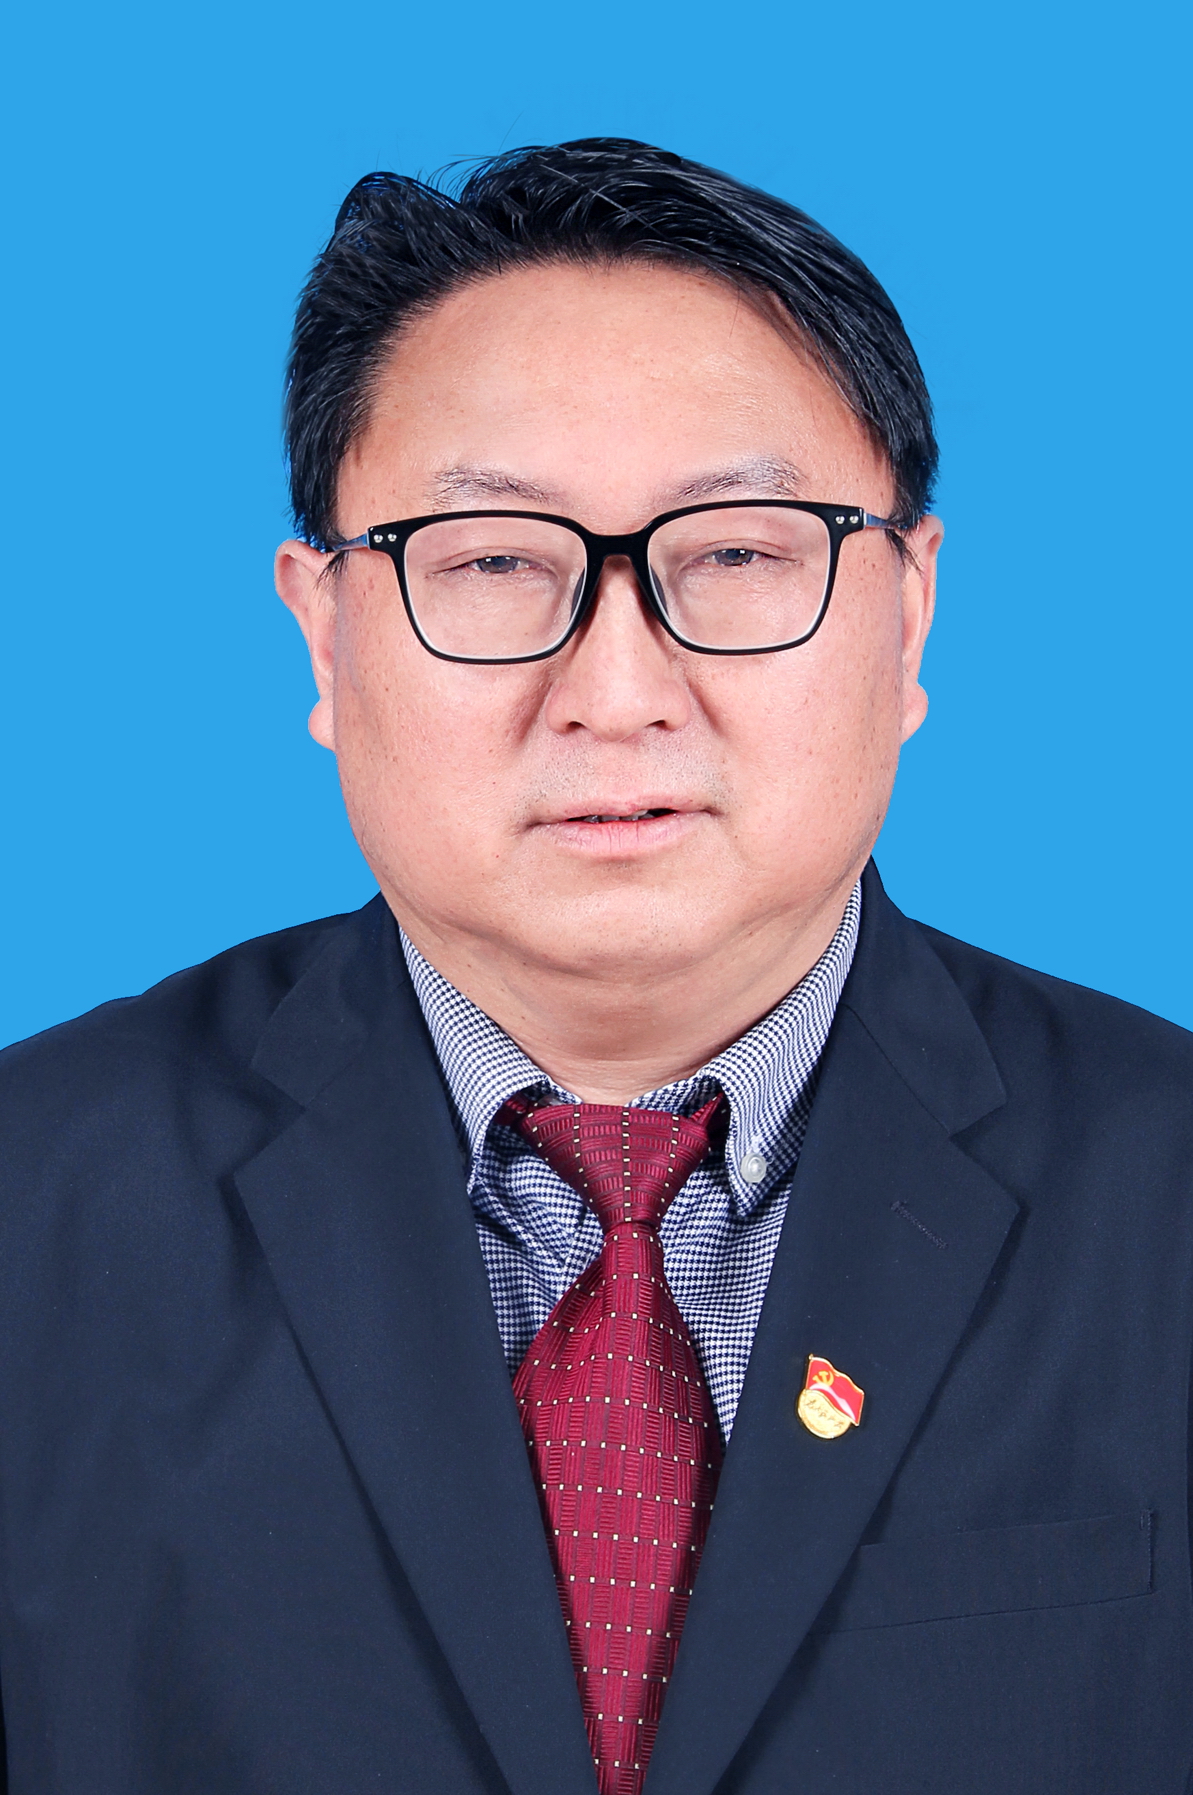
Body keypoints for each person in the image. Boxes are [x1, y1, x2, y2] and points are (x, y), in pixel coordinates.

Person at [0, 138, 1189, 1795]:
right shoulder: (33, 1200)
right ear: (324, 632)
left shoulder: (1167, 1191)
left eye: (740, 552)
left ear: (909, 614)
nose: (617, 691)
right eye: (492, 562)